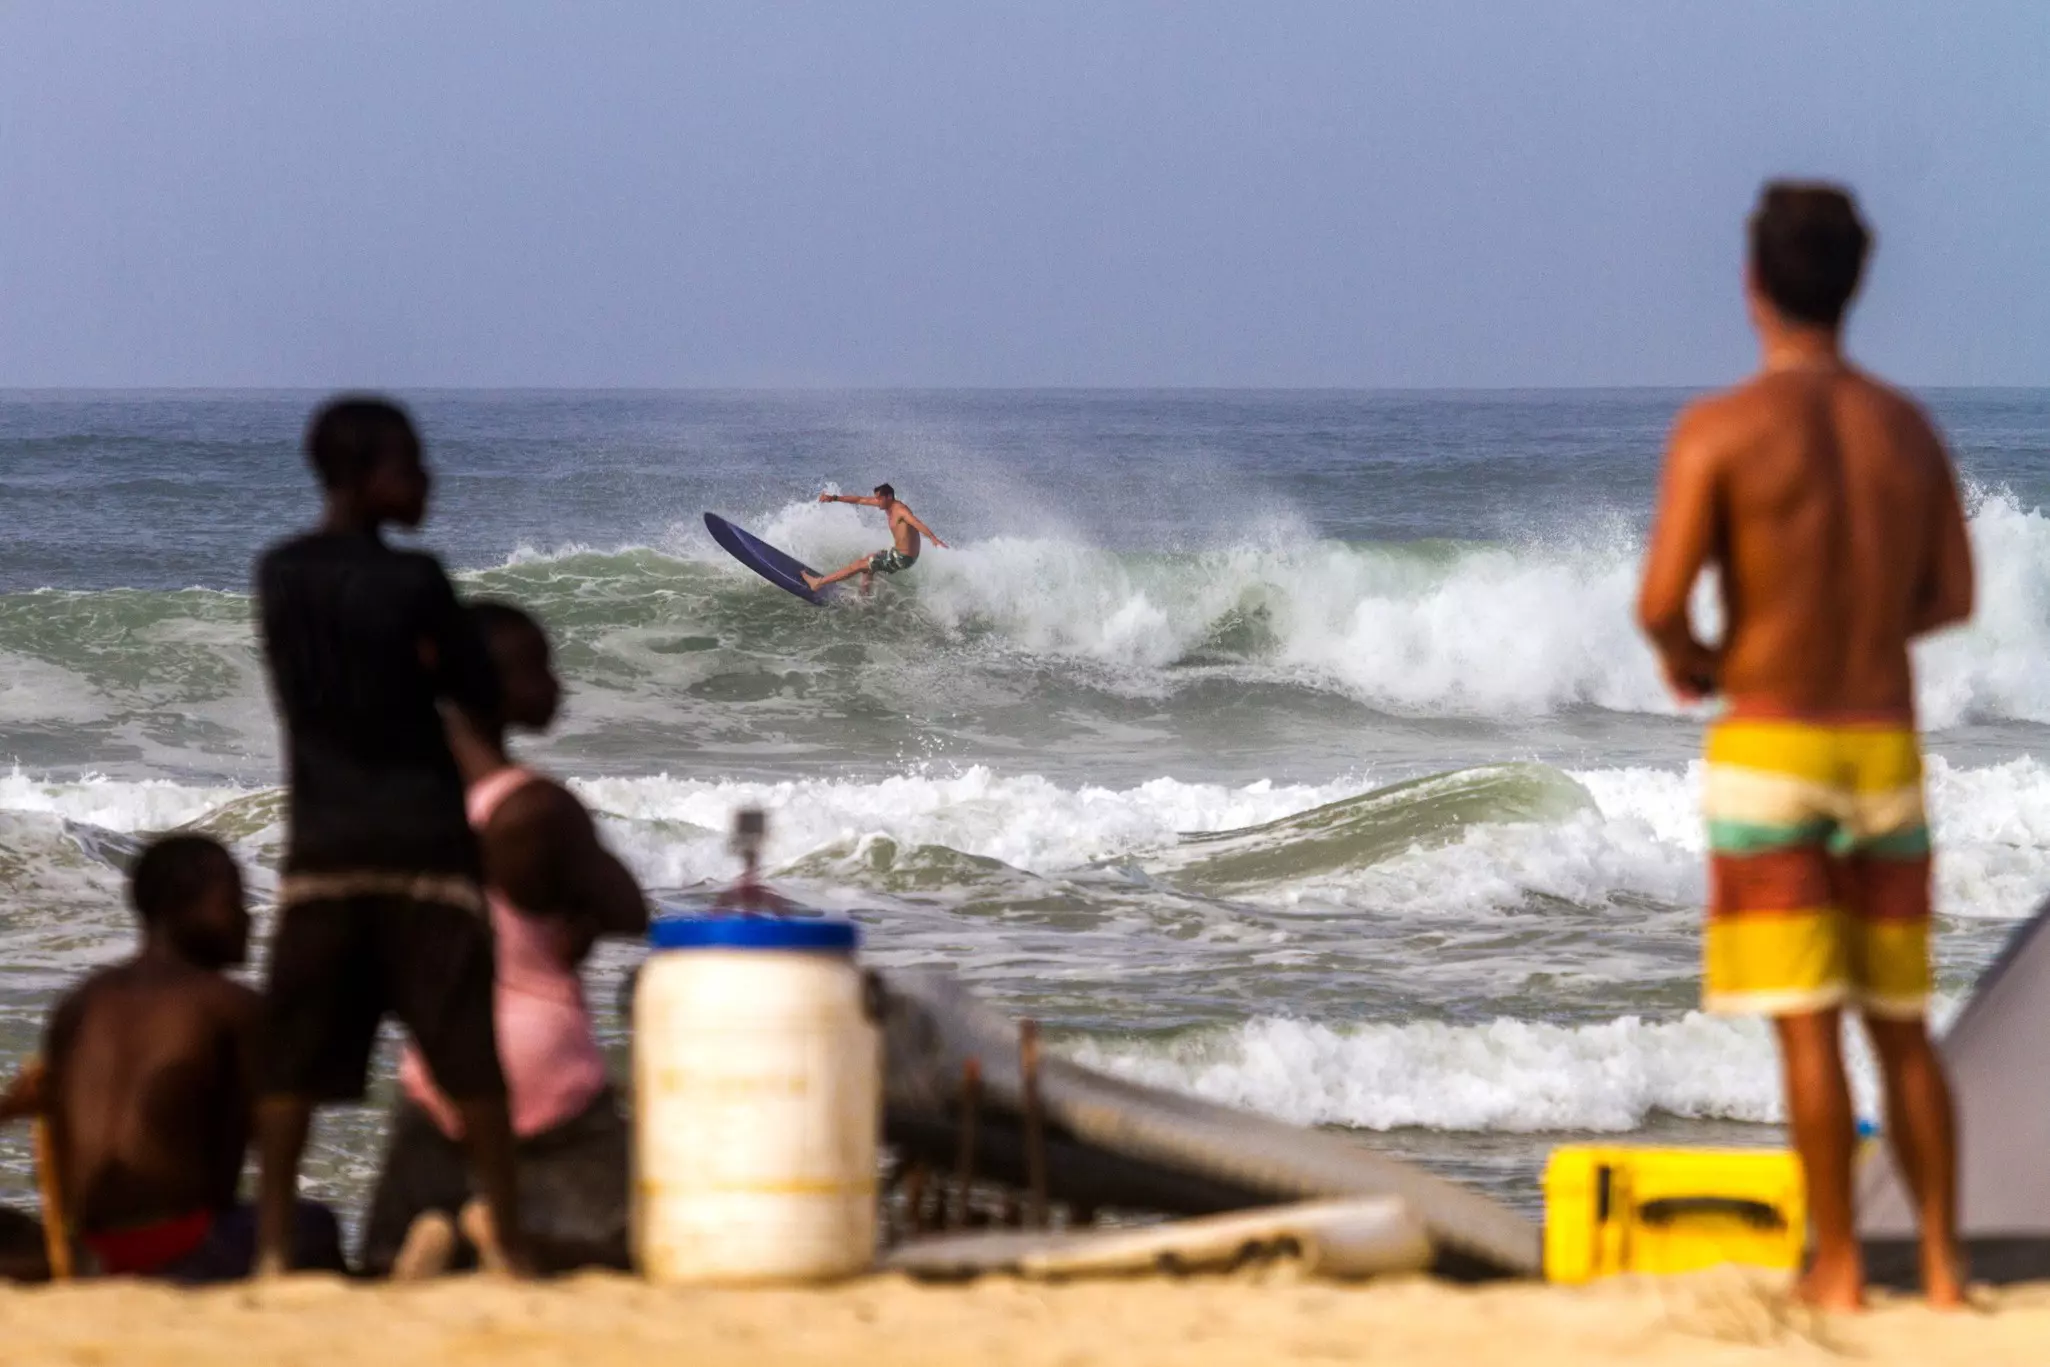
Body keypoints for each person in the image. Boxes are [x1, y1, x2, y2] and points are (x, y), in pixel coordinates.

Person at [1636, 182, 1974, 1311]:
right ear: (1854, 284)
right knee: (1903, 1028)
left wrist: (1706, 662)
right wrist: (1861, 630)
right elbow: (1950, 593)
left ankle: (1836, 1265)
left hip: (1770, 744)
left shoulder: (1720, 430)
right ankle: (1937, 1263)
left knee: (1807, 1031)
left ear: (1752, 287)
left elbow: (1658, 600)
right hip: (1879, 743)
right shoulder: (1905, 429)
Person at [253, 396, 532, 1277]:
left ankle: (266, 1250)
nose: (428, 480)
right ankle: (510, 1238)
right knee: (469, 1059)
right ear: (369, 474)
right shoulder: (417, 582)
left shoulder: (280, 573)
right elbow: (481, 689)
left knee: (292, 1060)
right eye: (413, 464)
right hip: (422, 848)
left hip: (324, 848)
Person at [359, 600, 649, 1278]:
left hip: (437, 1058)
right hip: (541, 1058)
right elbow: (628, 905)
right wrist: (579, 918)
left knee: (380, 1258)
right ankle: (505, 1239)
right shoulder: (532, 807)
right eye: (538, 671)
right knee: (617, 1249)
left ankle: (447, 1236)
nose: (556, 687)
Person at [0, 835, 344, 1281]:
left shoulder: (81, 1002)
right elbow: (273, 1135)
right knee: (317, 1225)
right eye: (232, 902)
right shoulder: (228, 1004)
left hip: (85, 1252)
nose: (247, 920)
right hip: (178, 1250)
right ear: (179, 909)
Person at [804, 484, 948, 593]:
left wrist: (934, 539)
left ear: (889, 497)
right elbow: (859, 499)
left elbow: (916, 523)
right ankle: (865, 597)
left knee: (859, 564)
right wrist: (833, 498)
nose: (877, 501)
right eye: (877, 498)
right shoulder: (887, 505)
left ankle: (818, 583)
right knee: (870, 563)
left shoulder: (900, 510)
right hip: (900, 554)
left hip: (902, 557)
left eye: (879, 498)